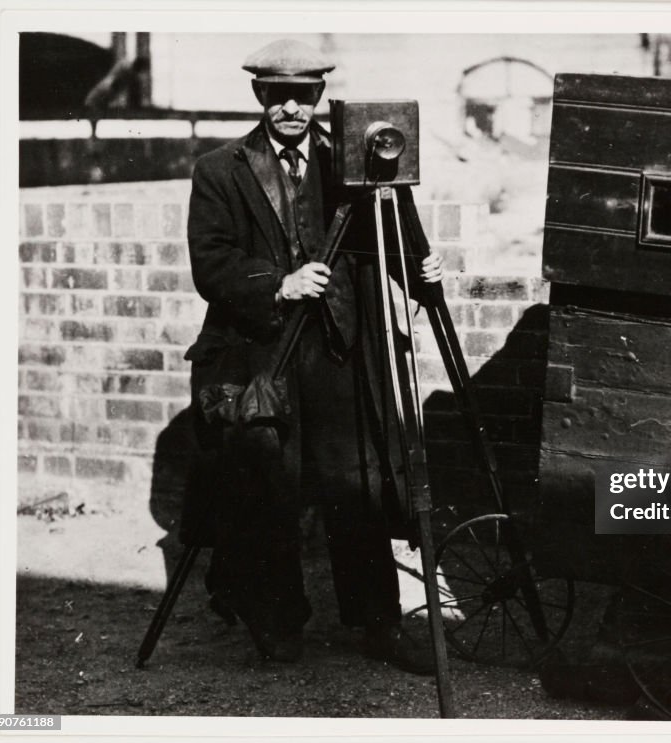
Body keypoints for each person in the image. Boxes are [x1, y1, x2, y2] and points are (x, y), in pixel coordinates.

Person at [182, 38, 443, 671]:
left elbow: (398, 238)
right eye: (278, 96)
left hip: (339, 353)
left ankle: (378, 622)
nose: (292, 108)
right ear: (260, 97)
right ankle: (276, 621)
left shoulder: (354, 159)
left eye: (304, 95)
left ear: (321, 97)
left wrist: (422, 270)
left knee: (358, 482)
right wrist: (278, 283)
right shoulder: (221, 169)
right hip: (261, 353)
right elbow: (210, 263)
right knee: (267, 487)